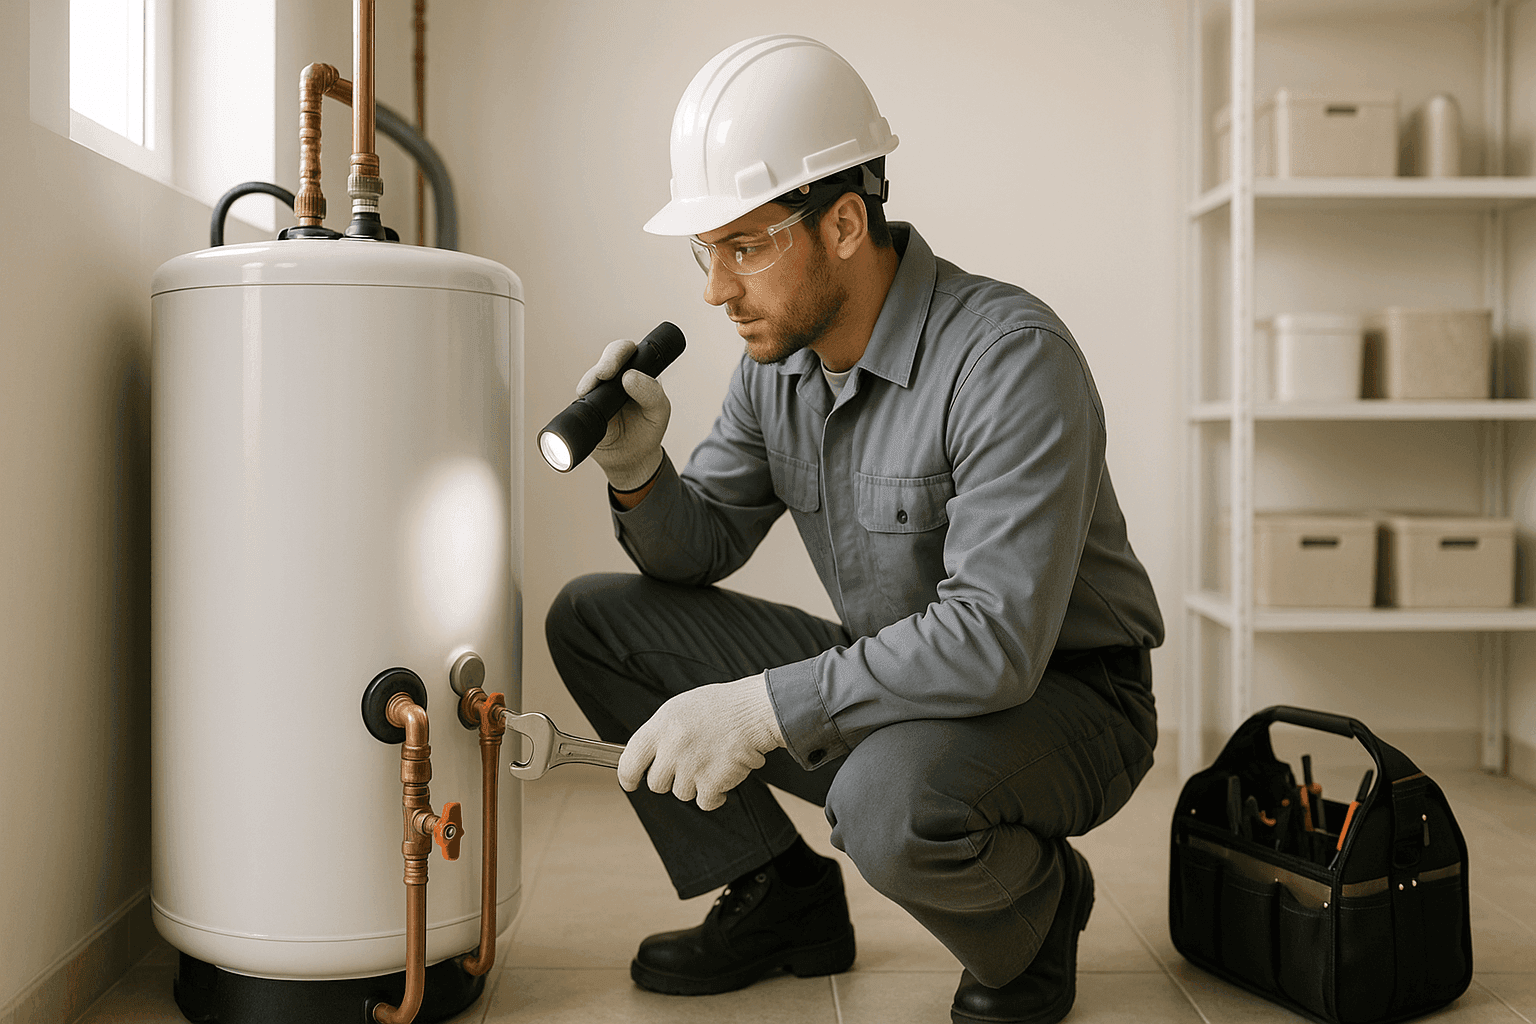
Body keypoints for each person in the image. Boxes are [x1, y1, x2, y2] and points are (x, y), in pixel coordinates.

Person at [545, 34, 1162, 1024]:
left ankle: (1036, 919)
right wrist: (637, 471)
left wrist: (755, 713)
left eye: (745, 247)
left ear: (841, 223)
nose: (714, 289)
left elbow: (997, 644)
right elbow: (696, 551)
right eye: (708, 252)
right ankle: (781, 898)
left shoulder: (1011, 359)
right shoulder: (775, 366)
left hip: (1066, 698)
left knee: (884, 801)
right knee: (595, 618)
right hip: (902, 678)